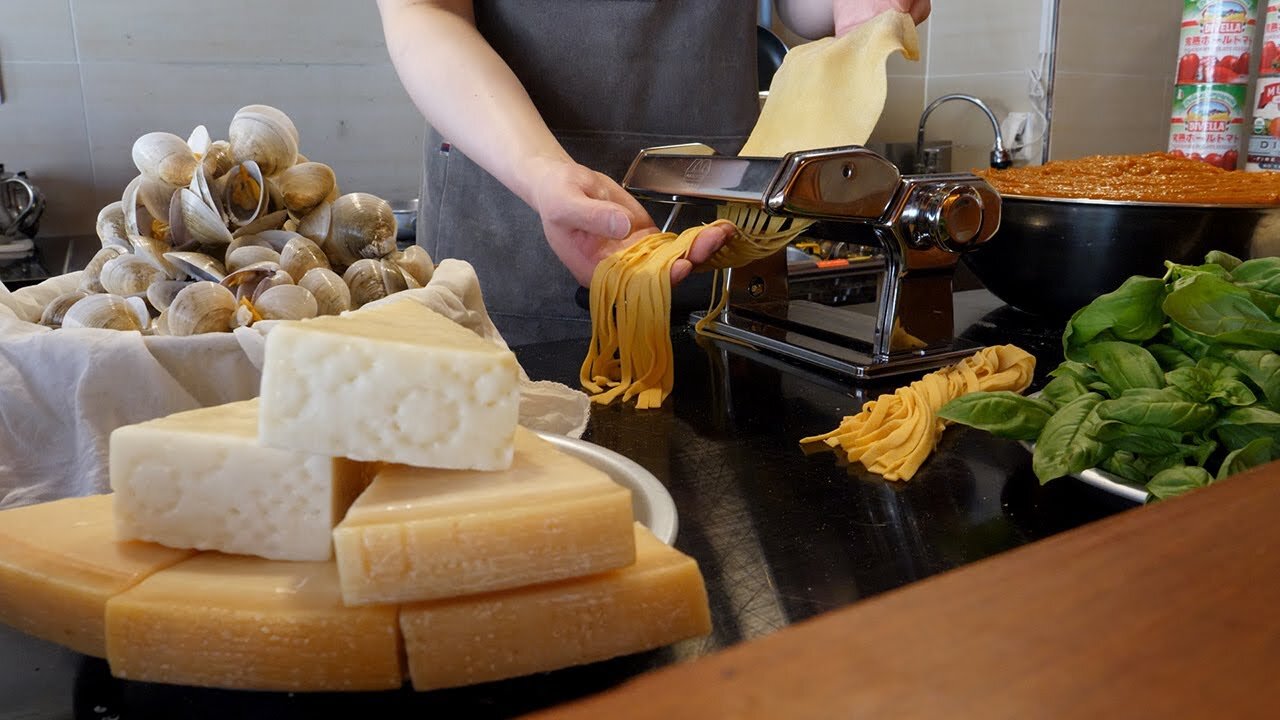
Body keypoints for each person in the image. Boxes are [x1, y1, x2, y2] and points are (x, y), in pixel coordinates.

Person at [375, 0, 931, 347]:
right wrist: (541, 170)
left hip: (722, 227)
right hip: (509, 212)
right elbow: (426, 11)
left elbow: (800, 7)